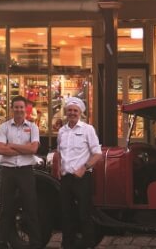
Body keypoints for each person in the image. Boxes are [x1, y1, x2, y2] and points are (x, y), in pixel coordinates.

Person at [0, 95, 41, 249]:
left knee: (30, 207)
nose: (19, 110)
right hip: (8, 171)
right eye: (16, 107)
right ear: (12, 109)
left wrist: (12, 146)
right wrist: (23, 150)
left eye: (21, 107)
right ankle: (1, 242)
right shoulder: (4, 127)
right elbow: (0, 149)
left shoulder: (33, 127)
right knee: (6, 208)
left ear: (26, 109)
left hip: (25, 171)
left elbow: (33, 149)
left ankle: (36, 243)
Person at [56, 97, 102, 249]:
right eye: (69, 110)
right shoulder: (62, 131)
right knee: (65, 214)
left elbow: (97, 154)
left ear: (80, 113)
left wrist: (84, 168)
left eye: (75, 111)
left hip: (82, 178)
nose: (72, 113)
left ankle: (88, 244)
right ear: (66, 112)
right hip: (66, 178)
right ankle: (67, 244)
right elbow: (60, 152)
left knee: (84, 214)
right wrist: (57, 168)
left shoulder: (88, 129)